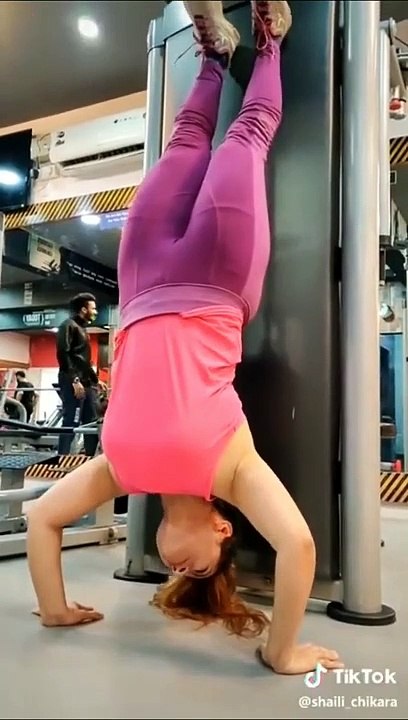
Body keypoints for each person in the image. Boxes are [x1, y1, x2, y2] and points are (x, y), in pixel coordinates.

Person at [27, 0, 343, 676]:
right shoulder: (231, 467)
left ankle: (213, 54)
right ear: (224, 529)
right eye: (198, 569)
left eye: (175, 576)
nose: (177, 567)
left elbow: (43, 520)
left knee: (185, 141)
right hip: (219, 278)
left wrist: (54, 609)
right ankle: (271, 38)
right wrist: (281, 651)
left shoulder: (121, 472)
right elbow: (297, 547)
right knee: (246, 138)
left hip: (141, 282)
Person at [56, 293, 99, 456]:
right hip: (72, 380)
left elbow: (83, 360)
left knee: (91, 421)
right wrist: (74, 380)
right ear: (83, 309)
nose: (95, 312)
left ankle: (90, 458)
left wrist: (95, 379)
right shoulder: (67, 326)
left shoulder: (83, 329)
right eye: (93, 308)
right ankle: (62, 457)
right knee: (71, 420)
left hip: (86, 381)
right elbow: (63, 354)